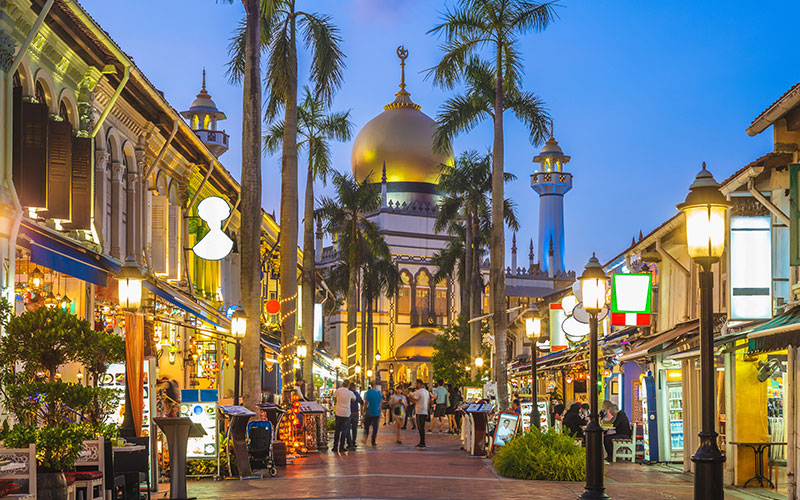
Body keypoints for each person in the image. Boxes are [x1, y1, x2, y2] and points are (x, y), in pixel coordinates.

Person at [333, 381, 355, 453]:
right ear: (348, 385)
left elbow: (334, 396)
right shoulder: (350, 393)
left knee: (337, 431)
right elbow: (354, 399)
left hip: (338, 412)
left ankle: (335, 447)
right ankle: (342, 446)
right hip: (346, 413)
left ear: (342, 384)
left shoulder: (338, 391)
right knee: (344, 431)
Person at [411, 379, 430, 448]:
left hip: (420, 411)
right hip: (424, 411)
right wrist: (428, 411)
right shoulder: (426, 392)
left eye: (416, 384)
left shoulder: (418, 392)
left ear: (419, 384)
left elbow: (414, 401)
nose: (415, 385)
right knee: (422, 427)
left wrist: (408, 396)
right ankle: (422, 442)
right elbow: (428, 402)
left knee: (420, 428)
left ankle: (422, 443)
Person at [363, 382, 383, 446]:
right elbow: (380, 403)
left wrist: (363, 411)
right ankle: (373, 441)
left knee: (367, 426)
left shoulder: (368, 392)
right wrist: (380, 411)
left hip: (369, 412)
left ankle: (365, 438)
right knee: (375, 427)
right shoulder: (379, 392)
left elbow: (366, 402)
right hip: (376, 412)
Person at [348, 383, 363, 449]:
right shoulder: (355, 393)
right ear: (354, 387)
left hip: (347, 412)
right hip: (354, 412)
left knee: (347, 428)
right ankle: (353, 442)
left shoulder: (347, 393)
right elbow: (360, 401)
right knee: (354, 428)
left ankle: (349, 442)